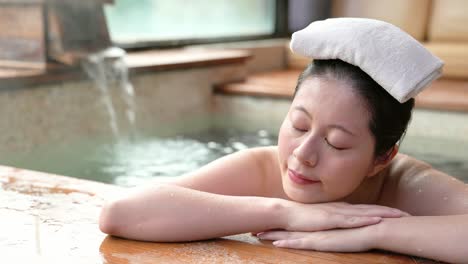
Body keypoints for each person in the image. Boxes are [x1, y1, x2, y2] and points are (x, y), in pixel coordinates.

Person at [99, 19, 468, 263]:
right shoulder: (263, 171)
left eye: (337, 143)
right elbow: (122, 213)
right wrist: (284, 211)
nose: (303, 155)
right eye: (298, 125)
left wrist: (375, 231)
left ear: (383, 157)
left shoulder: (406, 186)